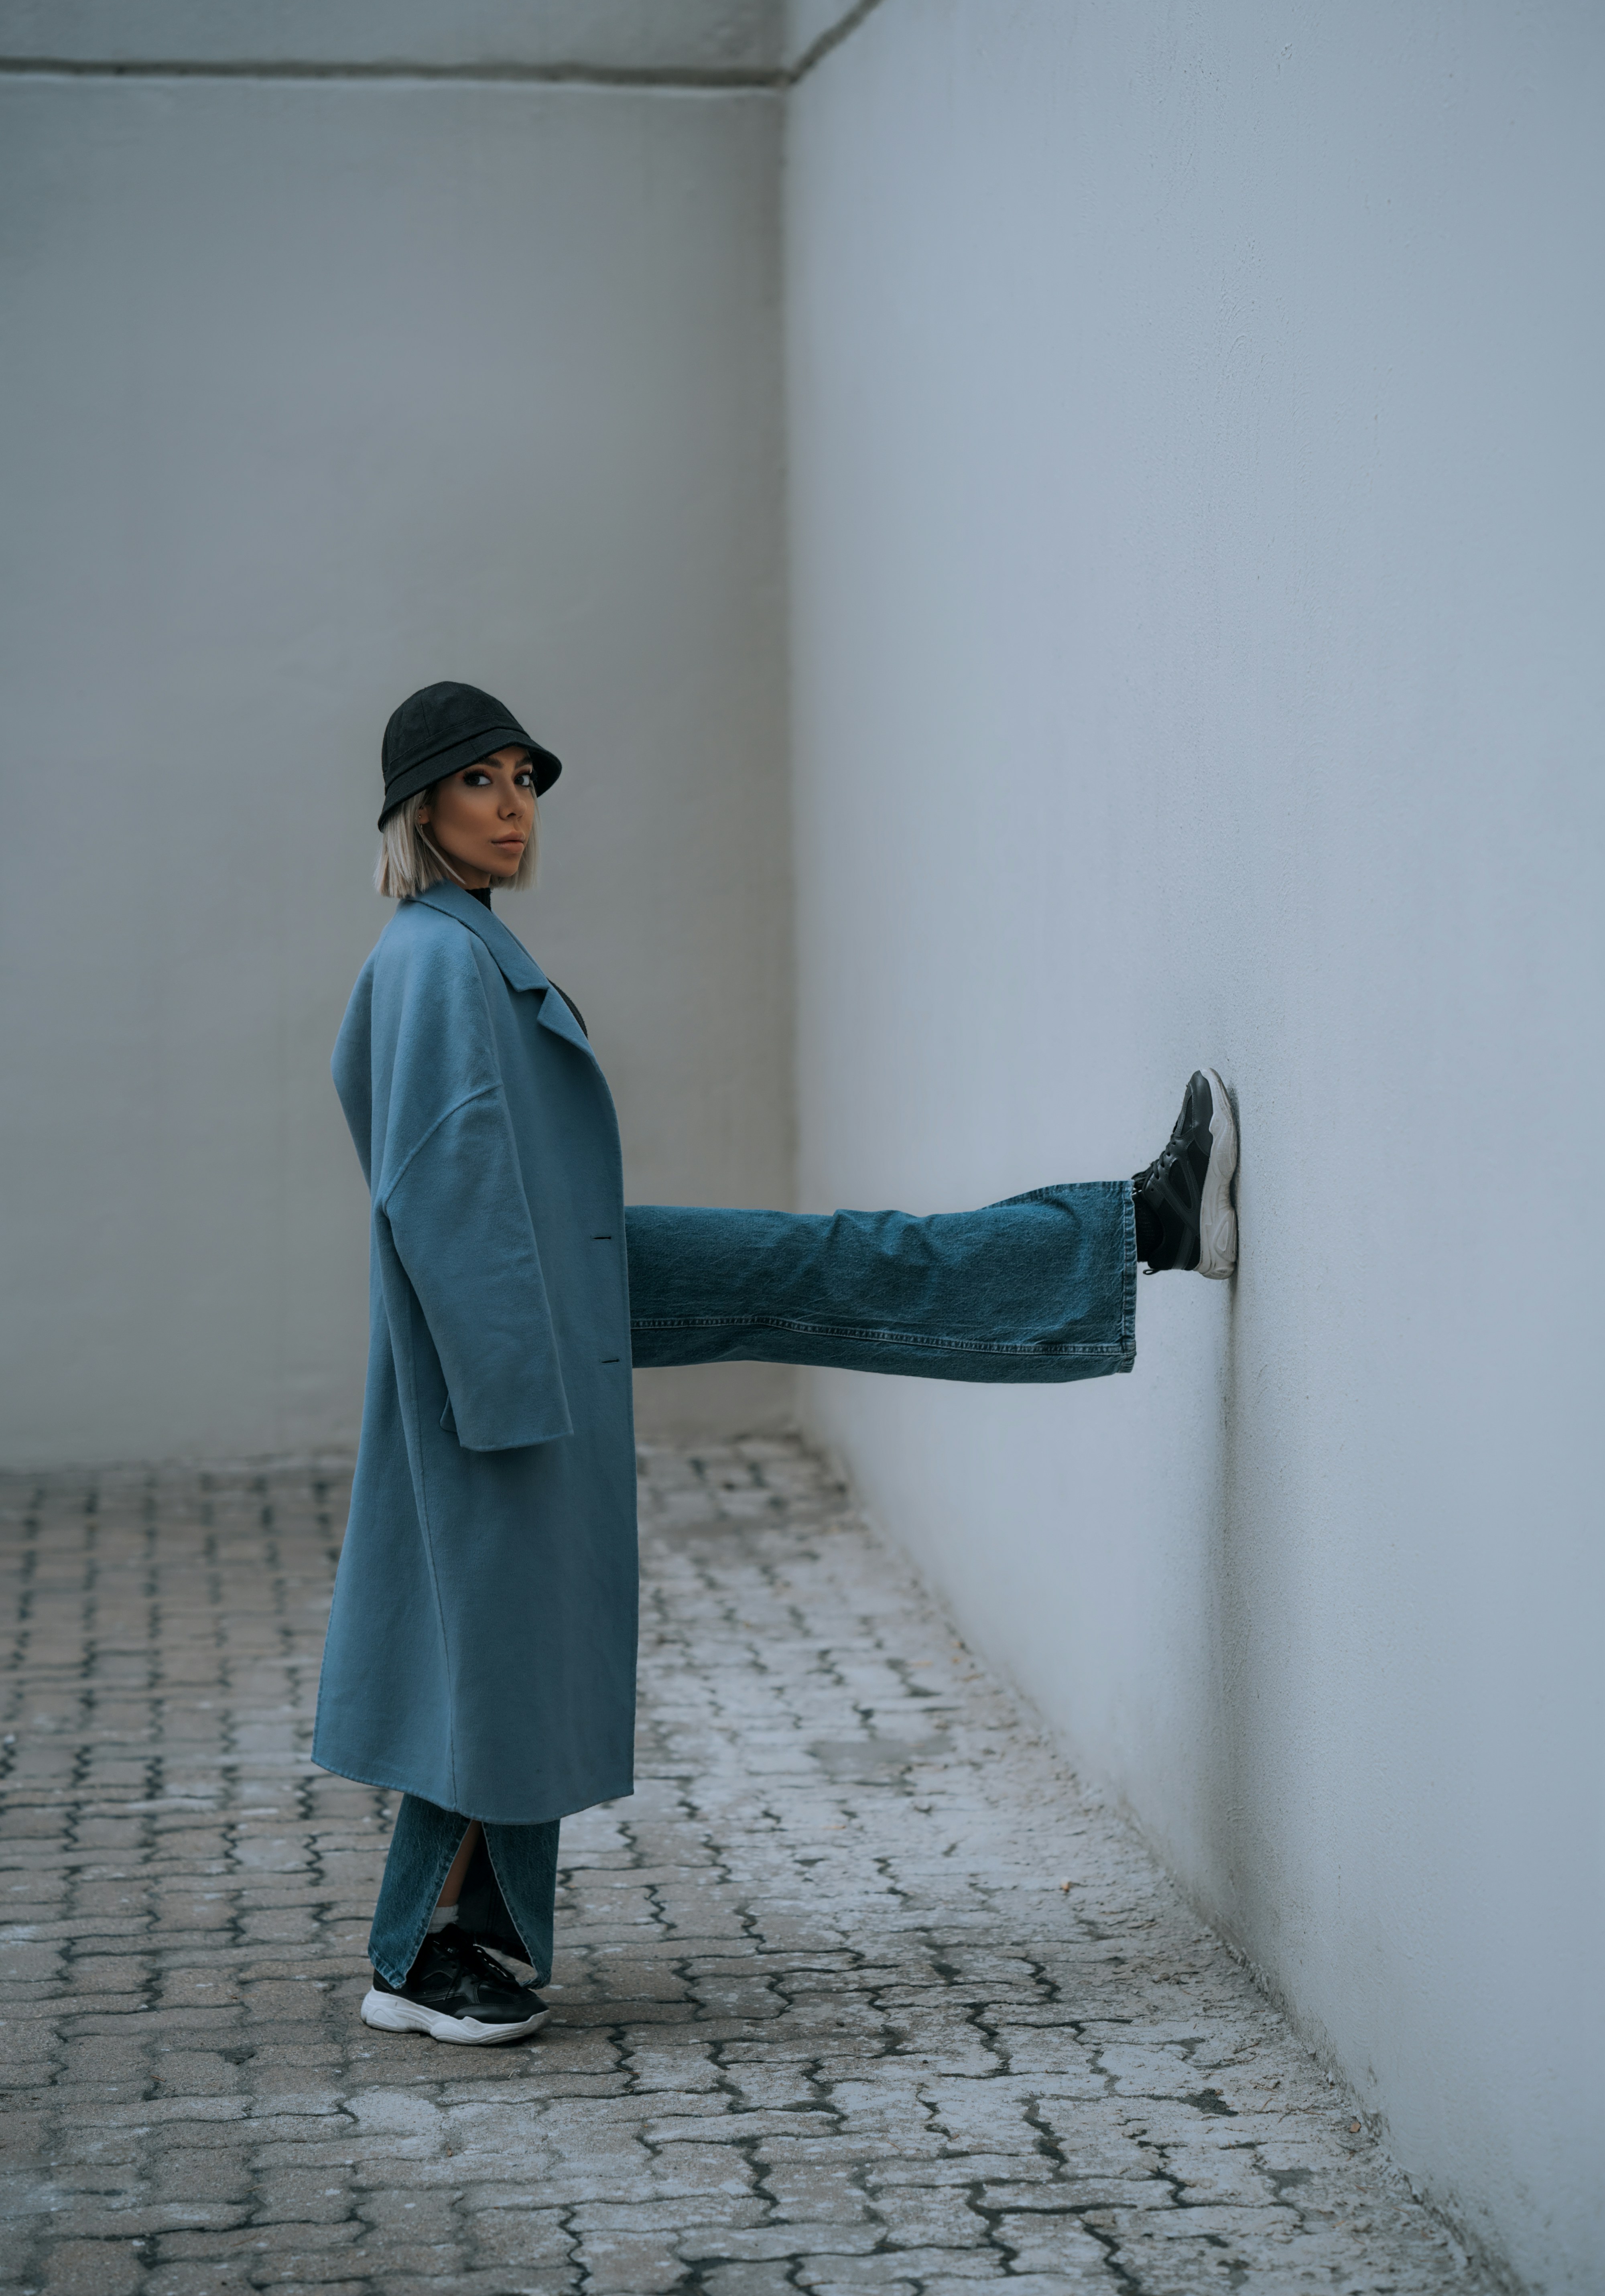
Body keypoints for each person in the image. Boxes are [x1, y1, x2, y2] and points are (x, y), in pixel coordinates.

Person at [316, 681, 1238, 2046]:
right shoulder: (437, 961)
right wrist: (515, 1412)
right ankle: (423, 1954)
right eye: (479, 782)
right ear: (419, 808)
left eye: (522, 781)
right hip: (516, 1348)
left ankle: (1146, 1226)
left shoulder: (447, 949)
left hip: (559, 1291)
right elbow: (441, 1193)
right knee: (499, 1634)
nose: (513, 809)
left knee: (833, 1268)